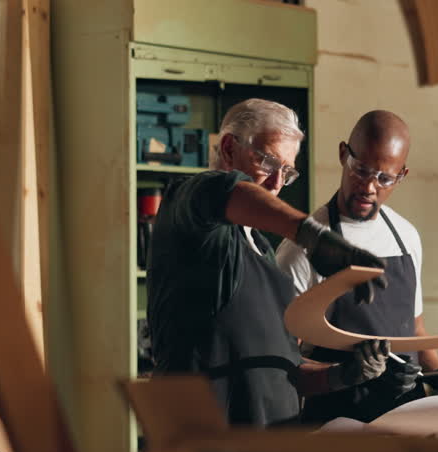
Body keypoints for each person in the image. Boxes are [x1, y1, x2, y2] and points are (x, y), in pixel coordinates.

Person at [148, 99, 408, 427]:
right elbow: (224, 192)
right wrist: (316, 238)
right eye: (269, 163)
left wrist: (347, 374)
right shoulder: (189, 207)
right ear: (228, 148)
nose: (276, 184)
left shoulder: (265, 259)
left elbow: (289, 371)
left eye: (287, 172)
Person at [276, 110, 438, 423]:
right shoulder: (303, 249)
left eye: (385, 178)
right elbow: (285, 366)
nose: (370, 187)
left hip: (409, 419)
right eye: (361, 170)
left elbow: (414, 331)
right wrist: (348, 375)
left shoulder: (406, 237)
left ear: (402, 175)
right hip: (338, 427)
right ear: (344, 155)